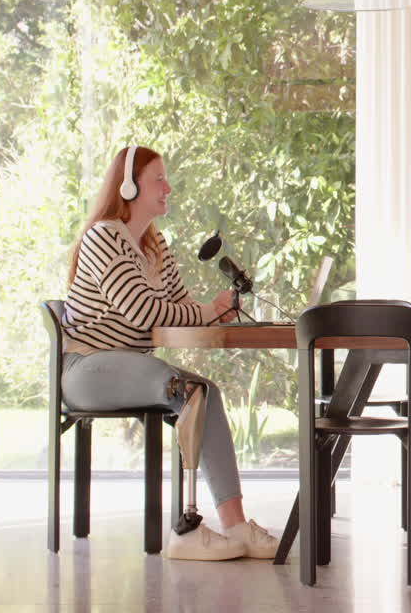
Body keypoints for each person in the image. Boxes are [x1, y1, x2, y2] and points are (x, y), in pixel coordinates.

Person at [61, 145, 280, 561]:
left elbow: (179, 309)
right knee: (191, 389)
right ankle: (186, 531)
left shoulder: (154, 243)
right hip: (87, 368)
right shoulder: (105, 236)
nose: (168, 188)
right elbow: (142, 311)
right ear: (128, 186)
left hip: (131, 364)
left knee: (205, 391)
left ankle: (235, 526)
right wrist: (205, 310)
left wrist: (217, 312)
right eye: (158, 179)